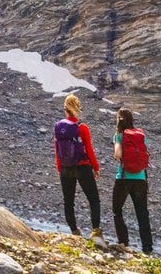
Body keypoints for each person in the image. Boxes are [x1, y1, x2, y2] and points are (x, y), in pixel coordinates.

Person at [53, 93, 102, 241]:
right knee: (94, 199)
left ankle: (74, 231)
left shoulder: (58, 127)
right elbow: (89, 149)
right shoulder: (82, 128)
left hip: (66, 168)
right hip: (82, 167)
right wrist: (96, 167)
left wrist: (59, 167)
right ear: (77, 108)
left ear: (65, 109)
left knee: (68, 201)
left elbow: (56, 149)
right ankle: (95, 231)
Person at [111, 107, 153, 254]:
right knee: (142, 213)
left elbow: (117, 154)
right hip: (141, 179)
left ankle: (123, 242)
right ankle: (147, 247)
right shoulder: (140, 135)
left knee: (117, 210)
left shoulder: (120, 135)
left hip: (123, 178)